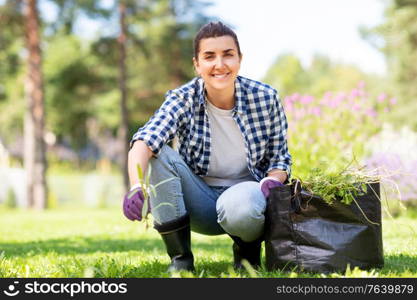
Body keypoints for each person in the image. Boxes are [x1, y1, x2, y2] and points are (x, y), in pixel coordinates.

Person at [123, 21, 292, 272]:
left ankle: (247, 255)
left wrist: (272, 182)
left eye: (228, 55)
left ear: (239, 59)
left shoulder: (266, 97)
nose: (219, 64)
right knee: (159, 154)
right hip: (198, 201)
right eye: (209, 56)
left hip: (246, 199)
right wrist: (136, 185)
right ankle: (180, 260)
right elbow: (144, 141)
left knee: (240, 206)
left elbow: (280, 159)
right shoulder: (182, 98)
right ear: (197, 64)